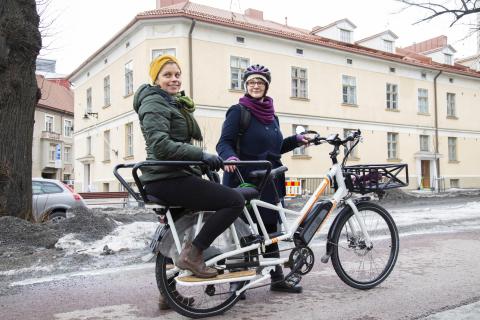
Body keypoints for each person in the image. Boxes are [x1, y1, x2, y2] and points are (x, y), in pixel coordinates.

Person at [133, 55, 246, 301]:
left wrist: (202, 166)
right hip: (167, 177)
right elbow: (161, 146)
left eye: (176, 74)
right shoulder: (154, 103)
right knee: (234, 201)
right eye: (167, 75)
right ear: (156, 79)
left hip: (172, 174)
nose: (174, 79)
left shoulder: (171, 103)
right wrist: (201, 155)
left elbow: (174, 144)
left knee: (176, 234)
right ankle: (194, 254)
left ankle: (167, 295)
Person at [216, 64, 309, 294]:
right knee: (242, 231)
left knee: (271, 231)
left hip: (269, 182)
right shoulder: (238, 111)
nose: (255, 85)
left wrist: (297, 139)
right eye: (251, 82)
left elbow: (275, 149)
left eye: (259, 82)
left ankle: (277, 279)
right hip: (243, 178)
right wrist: (230, 157)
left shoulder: (272, 116)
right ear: (246, 86)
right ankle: (237, 282)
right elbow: (223, 143)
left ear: (266, 86)